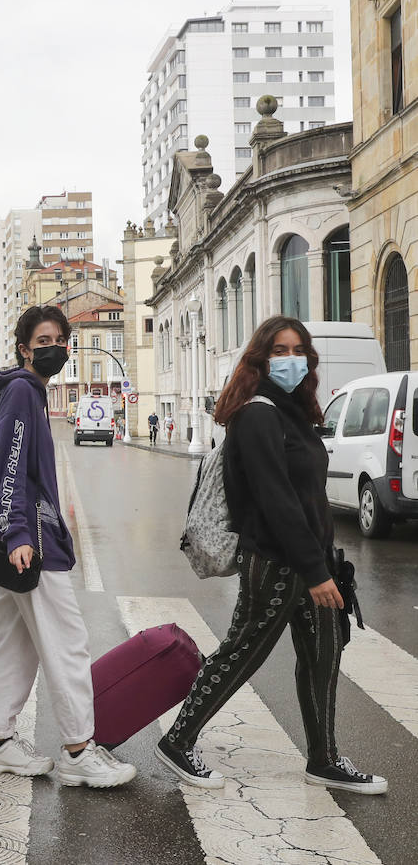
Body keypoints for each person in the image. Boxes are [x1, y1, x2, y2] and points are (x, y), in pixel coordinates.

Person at [157, 316, 387, 794]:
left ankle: (323, 759)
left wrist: (323, 563)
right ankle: (178, 741)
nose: (290, 359)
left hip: (313, 560)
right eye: (278, 351)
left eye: (297, 350)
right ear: (260, 359)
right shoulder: (258, 414)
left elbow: (307, 497)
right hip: (277, 563)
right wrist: (312, 569)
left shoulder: (294, 413)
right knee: (244, 650)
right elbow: (275, 499)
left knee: (324, 653)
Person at [0, 305, 136, 788]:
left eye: (60, 340)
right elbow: (9, 467)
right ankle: (77, 750)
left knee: (17, 645)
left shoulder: (23, 391)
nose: (54, 348)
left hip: (18, 540)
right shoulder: (24, 392)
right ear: (24, 348)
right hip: (33, 545)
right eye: (42, 341)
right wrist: (19, 535)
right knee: (67, 644)